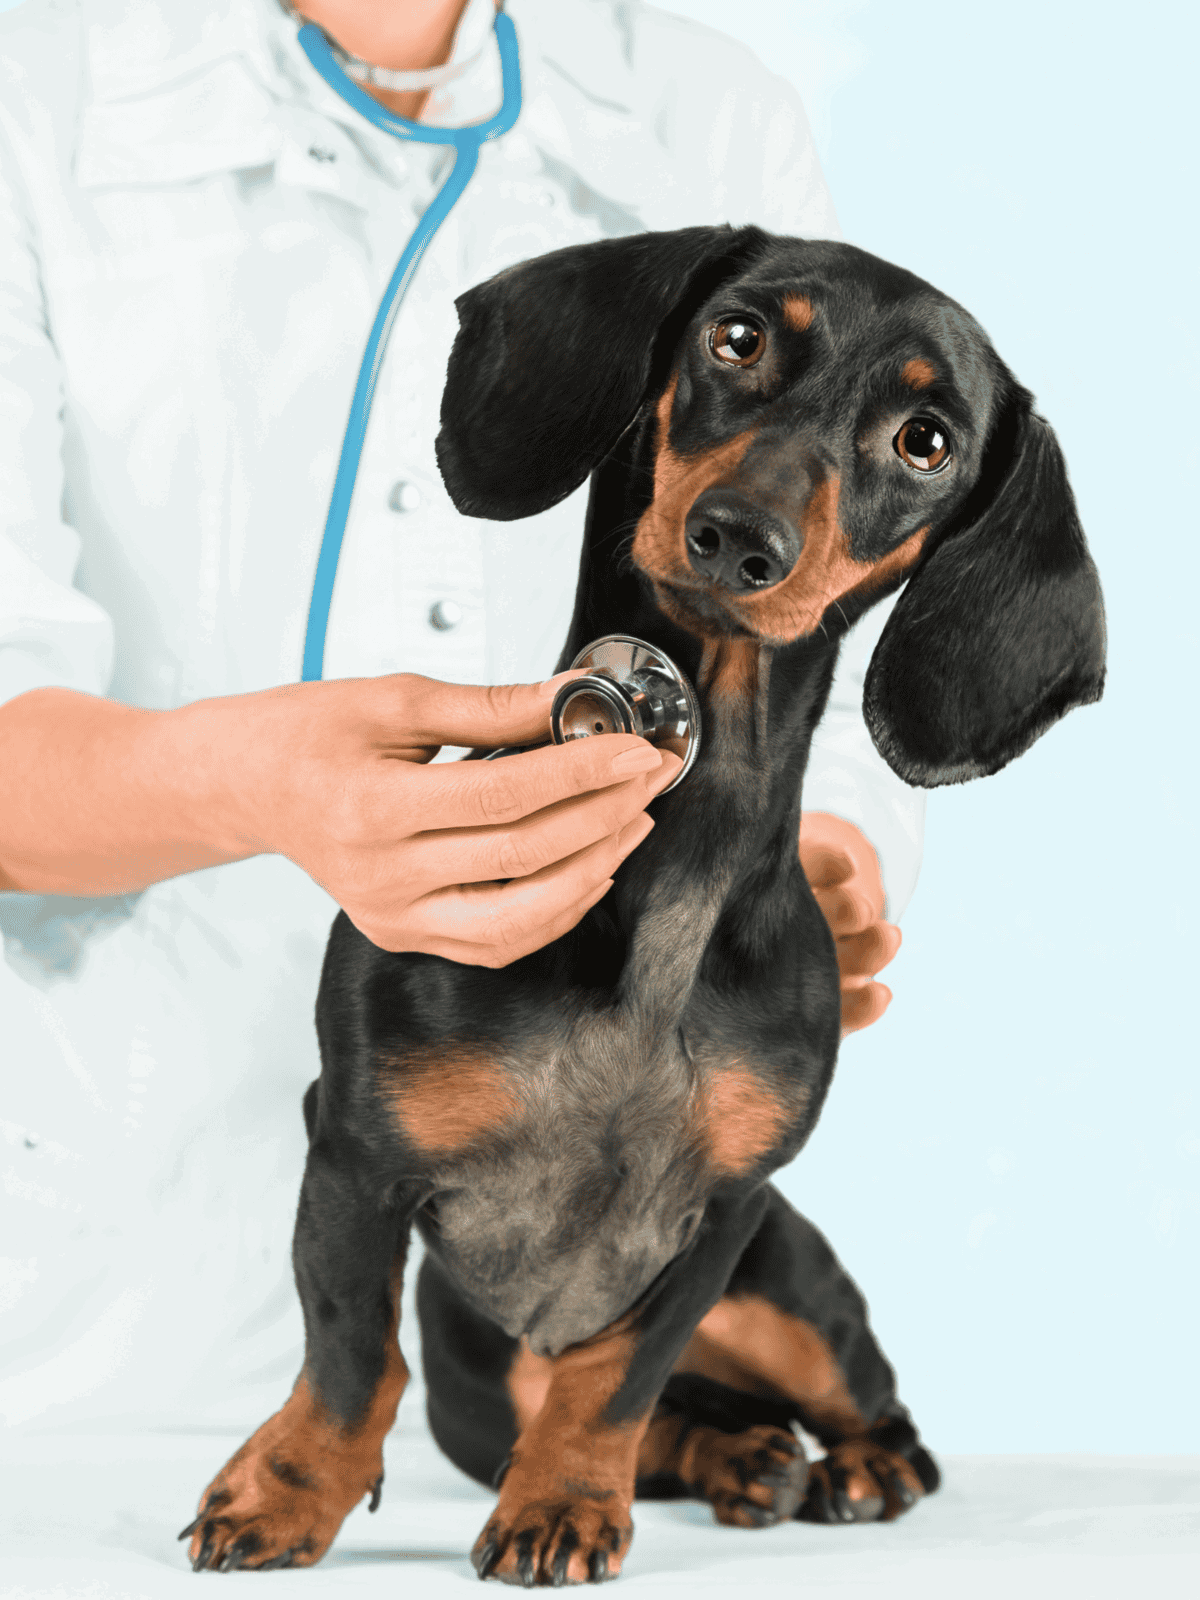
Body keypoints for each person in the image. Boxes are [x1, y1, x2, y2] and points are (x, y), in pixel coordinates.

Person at [0, 0, 922, 1432]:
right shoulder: (35, 81)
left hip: (570, 1294)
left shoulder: (708, 108)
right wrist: (258, 787)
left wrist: (812, 856)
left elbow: (826, 609)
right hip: (102, 1297)